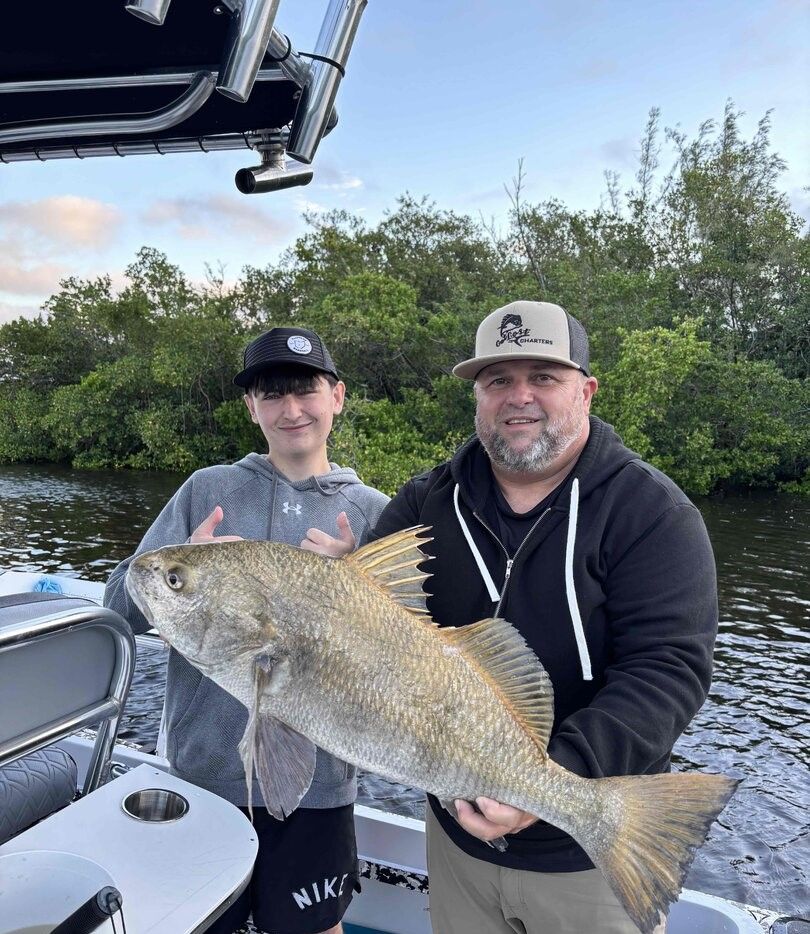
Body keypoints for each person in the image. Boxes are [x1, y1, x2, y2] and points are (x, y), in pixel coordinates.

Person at [316, 300, 718, 933]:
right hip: (456, 840)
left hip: (588, 857)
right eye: (498, 380)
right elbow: (366, 629)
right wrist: (331, 587)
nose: (519, 397)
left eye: (544, 377)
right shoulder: (426, 500)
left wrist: (551, 780)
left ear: (586, 391)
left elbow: (668, 670)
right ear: (477, 397)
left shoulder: (653, 512)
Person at [104, 326, 389, 934]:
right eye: (271, 393)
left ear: (336, 396)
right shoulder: (206, 491)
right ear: (250, 407)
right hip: (203, 777)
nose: (291, 410)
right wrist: (178, 566)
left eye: (306, 390)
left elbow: (406, 658)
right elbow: (117, 611)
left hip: (321, 789)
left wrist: (361, 597)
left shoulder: (373, 514)